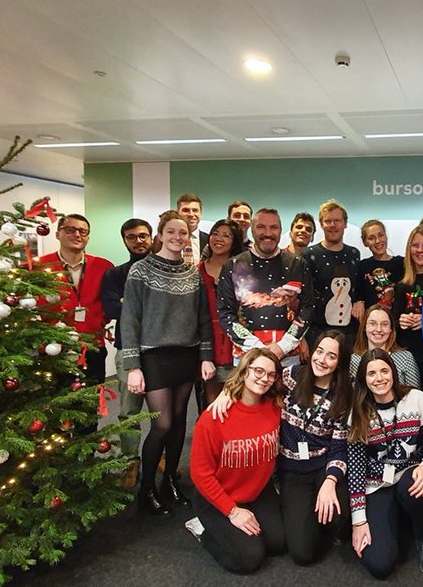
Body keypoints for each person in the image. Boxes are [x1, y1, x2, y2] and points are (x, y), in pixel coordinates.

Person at [207, 331, 354, 565]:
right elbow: (257, 380)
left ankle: (325, 522)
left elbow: (339, 446)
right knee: (302, 554)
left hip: (322, 468)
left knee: (338, 513)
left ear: (340, 362)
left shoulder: (343, 396)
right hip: (292, 471)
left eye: (331, 356)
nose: (322, 360)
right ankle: (310, 520)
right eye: (319, 351)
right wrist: (227, 391)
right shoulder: (292, 376)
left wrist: (331, 480)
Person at [120, 212, 215, 516]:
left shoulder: (192, 274)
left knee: (177, 424)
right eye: (171, 232)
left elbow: (202, 319)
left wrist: (206, 357)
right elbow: (130, 320)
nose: (178, 237)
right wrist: (133, 365)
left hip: (186, 355)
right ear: (160, 235)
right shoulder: (140, 270)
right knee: (161, 424)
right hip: (154, 356)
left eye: (183, 233)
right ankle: (146, 488)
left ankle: (170, 483)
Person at [348, 350, 423, 578]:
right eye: (371, 373)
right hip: (377, 484)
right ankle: (396, 523)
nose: (379, 378)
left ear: (393, 372)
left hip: (411, 475)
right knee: (379, 565)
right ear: (363, 378)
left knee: (414, 485)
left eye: (384, 370)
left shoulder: (417, 399)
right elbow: (355, 470)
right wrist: (358, 521)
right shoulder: (358, 412)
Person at [189, 348, 285, 574]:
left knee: (279, 544)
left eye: (271, 374)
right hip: (218, 498)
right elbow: (200, 475)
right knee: (249, 559)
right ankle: (201, 529)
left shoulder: (275, 407)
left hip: (256, 492)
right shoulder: (213, 418)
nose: (264, 378)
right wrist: (232, 511)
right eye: (258, 371)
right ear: (244, 371)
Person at [216, 208, 314, 369]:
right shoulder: (232, 266)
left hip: (288, 357)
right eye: (261, 227)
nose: (267, 233)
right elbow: (225, 313)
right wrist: (256, 348)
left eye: (273, 227)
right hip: (246, 357)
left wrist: (283, 346)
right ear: (252, 230)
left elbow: (308, 307)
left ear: (281, 231)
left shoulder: (298, 264)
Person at [98, 218, 153, 485]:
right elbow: (110, 309)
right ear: (125, 241)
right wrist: (143, 308)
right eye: (132, 237)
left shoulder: (163, 270)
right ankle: (131, 462)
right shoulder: (115, 275)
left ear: (152, 238)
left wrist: (128, 303)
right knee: (129, 411)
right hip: (127, 349)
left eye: (143, 236)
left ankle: (158, 457)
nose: (138, 241)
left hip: (159, 351)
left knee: (161, 413)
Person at [36, 213, 113, 388]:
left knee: (90, 402)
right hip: (54, 348)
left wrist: (98, 322)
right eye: (70, 230)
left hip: (92, 346)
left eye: (83, 232)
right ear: (57, 234)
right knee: (55, 404)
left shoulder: (103, 266)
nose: (77, 235)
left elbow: (111, 301)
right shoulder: (39, 267)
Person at [300, 200, 363, 346]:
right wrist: (301, 337)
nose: (333, 225)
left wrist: (360, 300)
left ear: (345, 224)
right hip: (316, 333)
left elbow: (358, 287)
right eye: (328, 221)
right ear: (321, 225)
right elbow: (303, 298)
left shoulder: (354, 254)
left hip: (349, 333)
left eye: (337, 220)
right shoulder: (309, 254)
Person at [199, 219, 246, 410]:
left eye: (226, 235)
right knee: (211, 398)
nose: (219, 239)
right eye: (215, 233)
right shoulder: (197, 270)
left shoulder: (242, 270)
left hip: (235, 338)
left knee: (237, 395)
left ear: (234, 241)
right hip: (206, 337)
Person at [391, 225, 423, 384]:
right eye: (415, 245)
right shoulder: (402, 285)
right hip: (408, 355)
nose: (420, 250)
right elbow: (393, 323)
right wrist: (401, 321)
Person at [349, 304, 421, 388]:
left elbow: (415, 395)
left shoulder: (405, 358)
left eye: (384, 324)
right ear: (364, 327)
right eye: (373, 324)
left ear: (391, 329)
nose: (379, 329)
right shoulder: (353, 360)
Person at [357, 219, 405, 308]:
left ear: (386, 236)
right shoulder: (362, 266)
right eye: (371, 238)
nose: (378, 241)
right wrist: (358, 302)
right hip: (372, 319)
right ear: (365, 242)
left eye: (381, 235)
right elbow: (358, 293)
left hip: (396, 319)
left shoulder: (401, 263)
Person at [176, 193, 209, 264]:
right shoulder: (167, 239)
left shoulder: (209, 240)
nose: (191, 214)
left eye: (195, 210)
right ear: (177, 213)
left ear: (201, 213)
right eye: (186, 210)